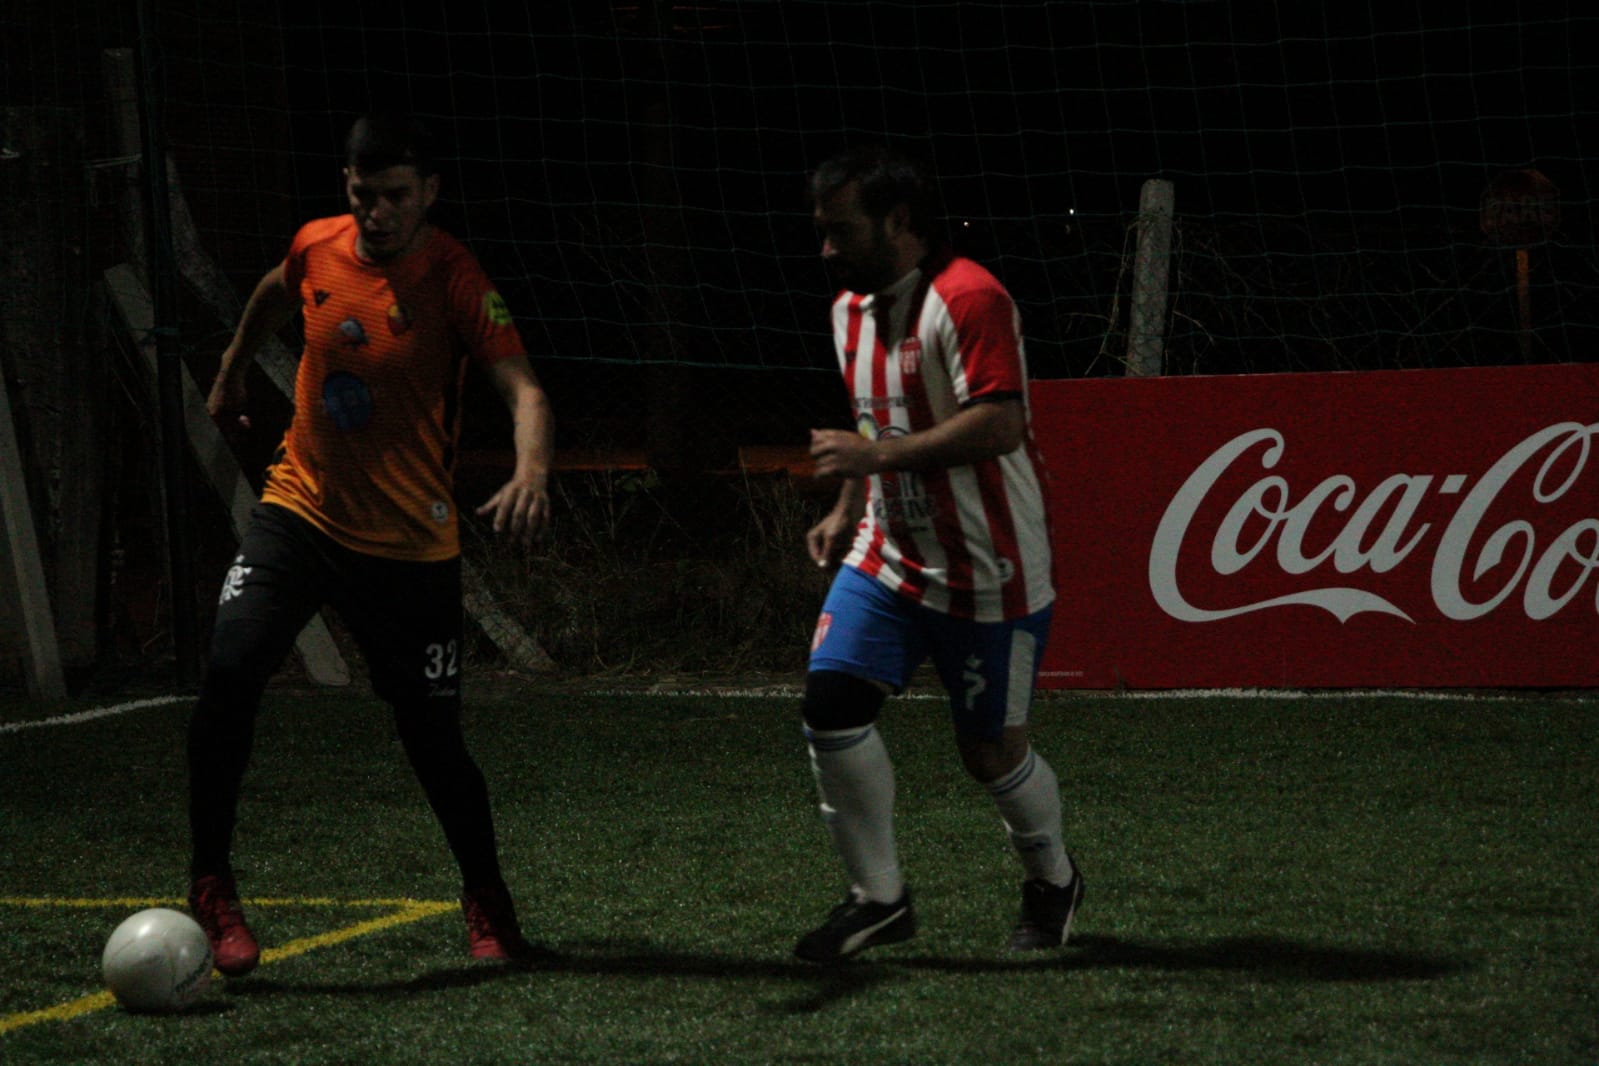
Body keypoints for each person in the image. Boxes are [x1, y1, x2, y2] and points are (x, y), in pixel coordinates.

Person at [185, 113, 556, 974]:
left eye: (395, 196)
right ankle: (211, 884)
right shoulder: (317, 245)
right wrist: (233, 367)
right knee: (231, 670)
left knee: (432, 738)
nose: (377, 213)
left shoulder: (456, 279)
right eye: (363, 195)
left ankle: (488, 903)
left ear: (429, 192)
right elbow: (274, 289)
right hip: (299, 510)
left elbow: (526, 392)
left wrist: (532, 473)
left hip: (406, 545)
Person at [793, 144, 1082, 963]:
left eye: (840, 230)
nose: (826, 249)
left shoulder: (968, 297)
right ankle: (878, 899)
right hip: (888, 557)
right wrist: (849, 505)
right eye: (820, 231)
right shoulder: (848, 310)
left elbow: (1000, 424)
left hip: (988, 568)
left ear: (898, 221)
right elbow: (875, 422)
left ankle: (1053, 880)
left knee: (988, 753)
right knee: (830, 706)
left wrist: (872, 459)